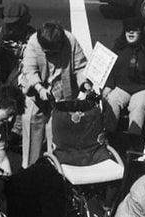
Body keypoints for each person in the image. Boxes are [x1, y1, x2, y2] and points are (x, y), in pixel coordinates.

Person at [20, 21, 92, 168]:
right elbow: (30, 71)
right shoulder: (33, 41)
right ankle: (29, 167)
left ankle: (56, 167)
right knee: (31, 119)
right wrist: (40, 89)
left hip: (63, 91)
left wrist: (84, 83)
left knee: (56, 129)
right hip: (37, 90)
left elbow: (80, 67)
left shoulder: (70, 40)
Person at [102, 17, 145, 136]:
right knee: (112, 101)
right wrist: (109, 86)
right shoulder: (118, 48)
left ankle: (133, 139)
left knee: (138, 106)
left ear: (140, 32)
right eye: (128, 30)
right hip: (121, 86)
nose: (130, 32)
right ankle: (108, 136)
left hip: (142, 87)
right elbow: (110, 70)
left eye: (134, 30)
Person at [0, 2, 35, 88]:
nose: (11, 28)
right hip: (3, 80)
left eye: (15, 24)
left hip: (26, 82)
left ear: (25, 21)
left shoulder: (33, 37)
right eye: (8, 24)